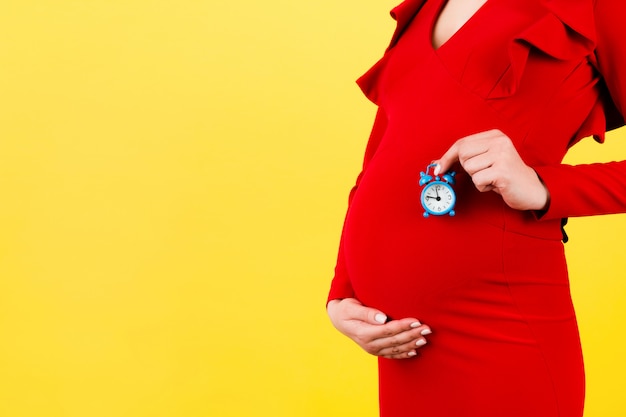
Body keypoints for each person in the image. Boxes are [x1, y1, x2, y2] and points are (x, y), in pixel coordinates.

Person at [326, 0, 626, 416]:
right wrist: (343, 294)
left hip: (499, 327)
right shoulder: (426, 7)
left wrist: (544, 187)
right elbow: (377, 166)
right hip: (403, 346)